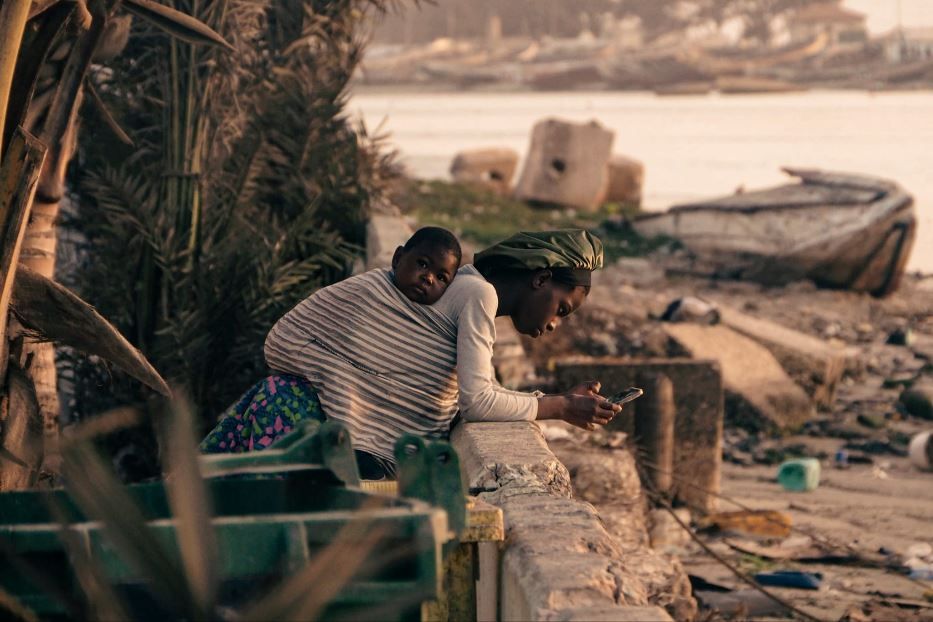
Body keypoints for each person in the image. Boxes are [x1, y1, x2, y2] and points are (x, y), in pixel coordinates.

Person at [204, 228, 620, 480]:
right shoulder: (479, 294)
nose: (554, 324)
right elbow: (479, 402)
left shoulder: (460, 286)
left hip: (328, 431)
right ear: (541, 279)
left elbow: (468, 388)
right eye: (561, 309)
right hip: (372, 457)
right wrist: (561, 406)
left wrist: (553, 400)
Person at [199, 226, 462, 477]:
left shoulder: (442, 330)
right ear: (397, 258)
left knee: (269, 398)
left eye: (441, 277)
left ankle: (223, 483)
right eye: (422, 264)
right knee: (276, 393)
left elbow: (435, 398)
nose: (428, 278)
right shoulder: (365, 292)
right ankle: (238, 485)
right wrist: (337, 378)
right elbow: (284, 339)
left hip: (387, 452)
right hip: (326, 412)